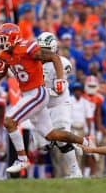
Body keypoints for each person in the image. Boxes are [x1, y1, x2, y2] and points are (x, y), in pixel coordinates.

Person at [0, 23, 92, 173]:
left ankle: (22, 159)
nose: (0, 43)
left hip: (37, 94)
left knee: (9, 121)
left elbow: (54, 57)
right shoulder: (4, 54)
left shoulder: (27, 48)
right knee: (51, 134)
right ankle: (85, 141)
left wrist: (60, 79)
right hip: (31, 95)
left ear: (13, 39)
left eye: (3, 39)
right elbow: (1, 74)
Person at [35, 31, 82, 178]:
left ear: (53, 49)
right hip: (43, 106)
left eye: (46, 49)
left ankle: (75, 171)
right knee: (42, 145)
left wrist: (52, 87)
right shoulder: (34, 63)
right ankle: (73, 142)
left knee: (61, 139)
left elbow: (59, 90)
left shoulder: (63, 63)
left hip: (59, 104)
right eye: (40, 48)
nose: (43, 52)